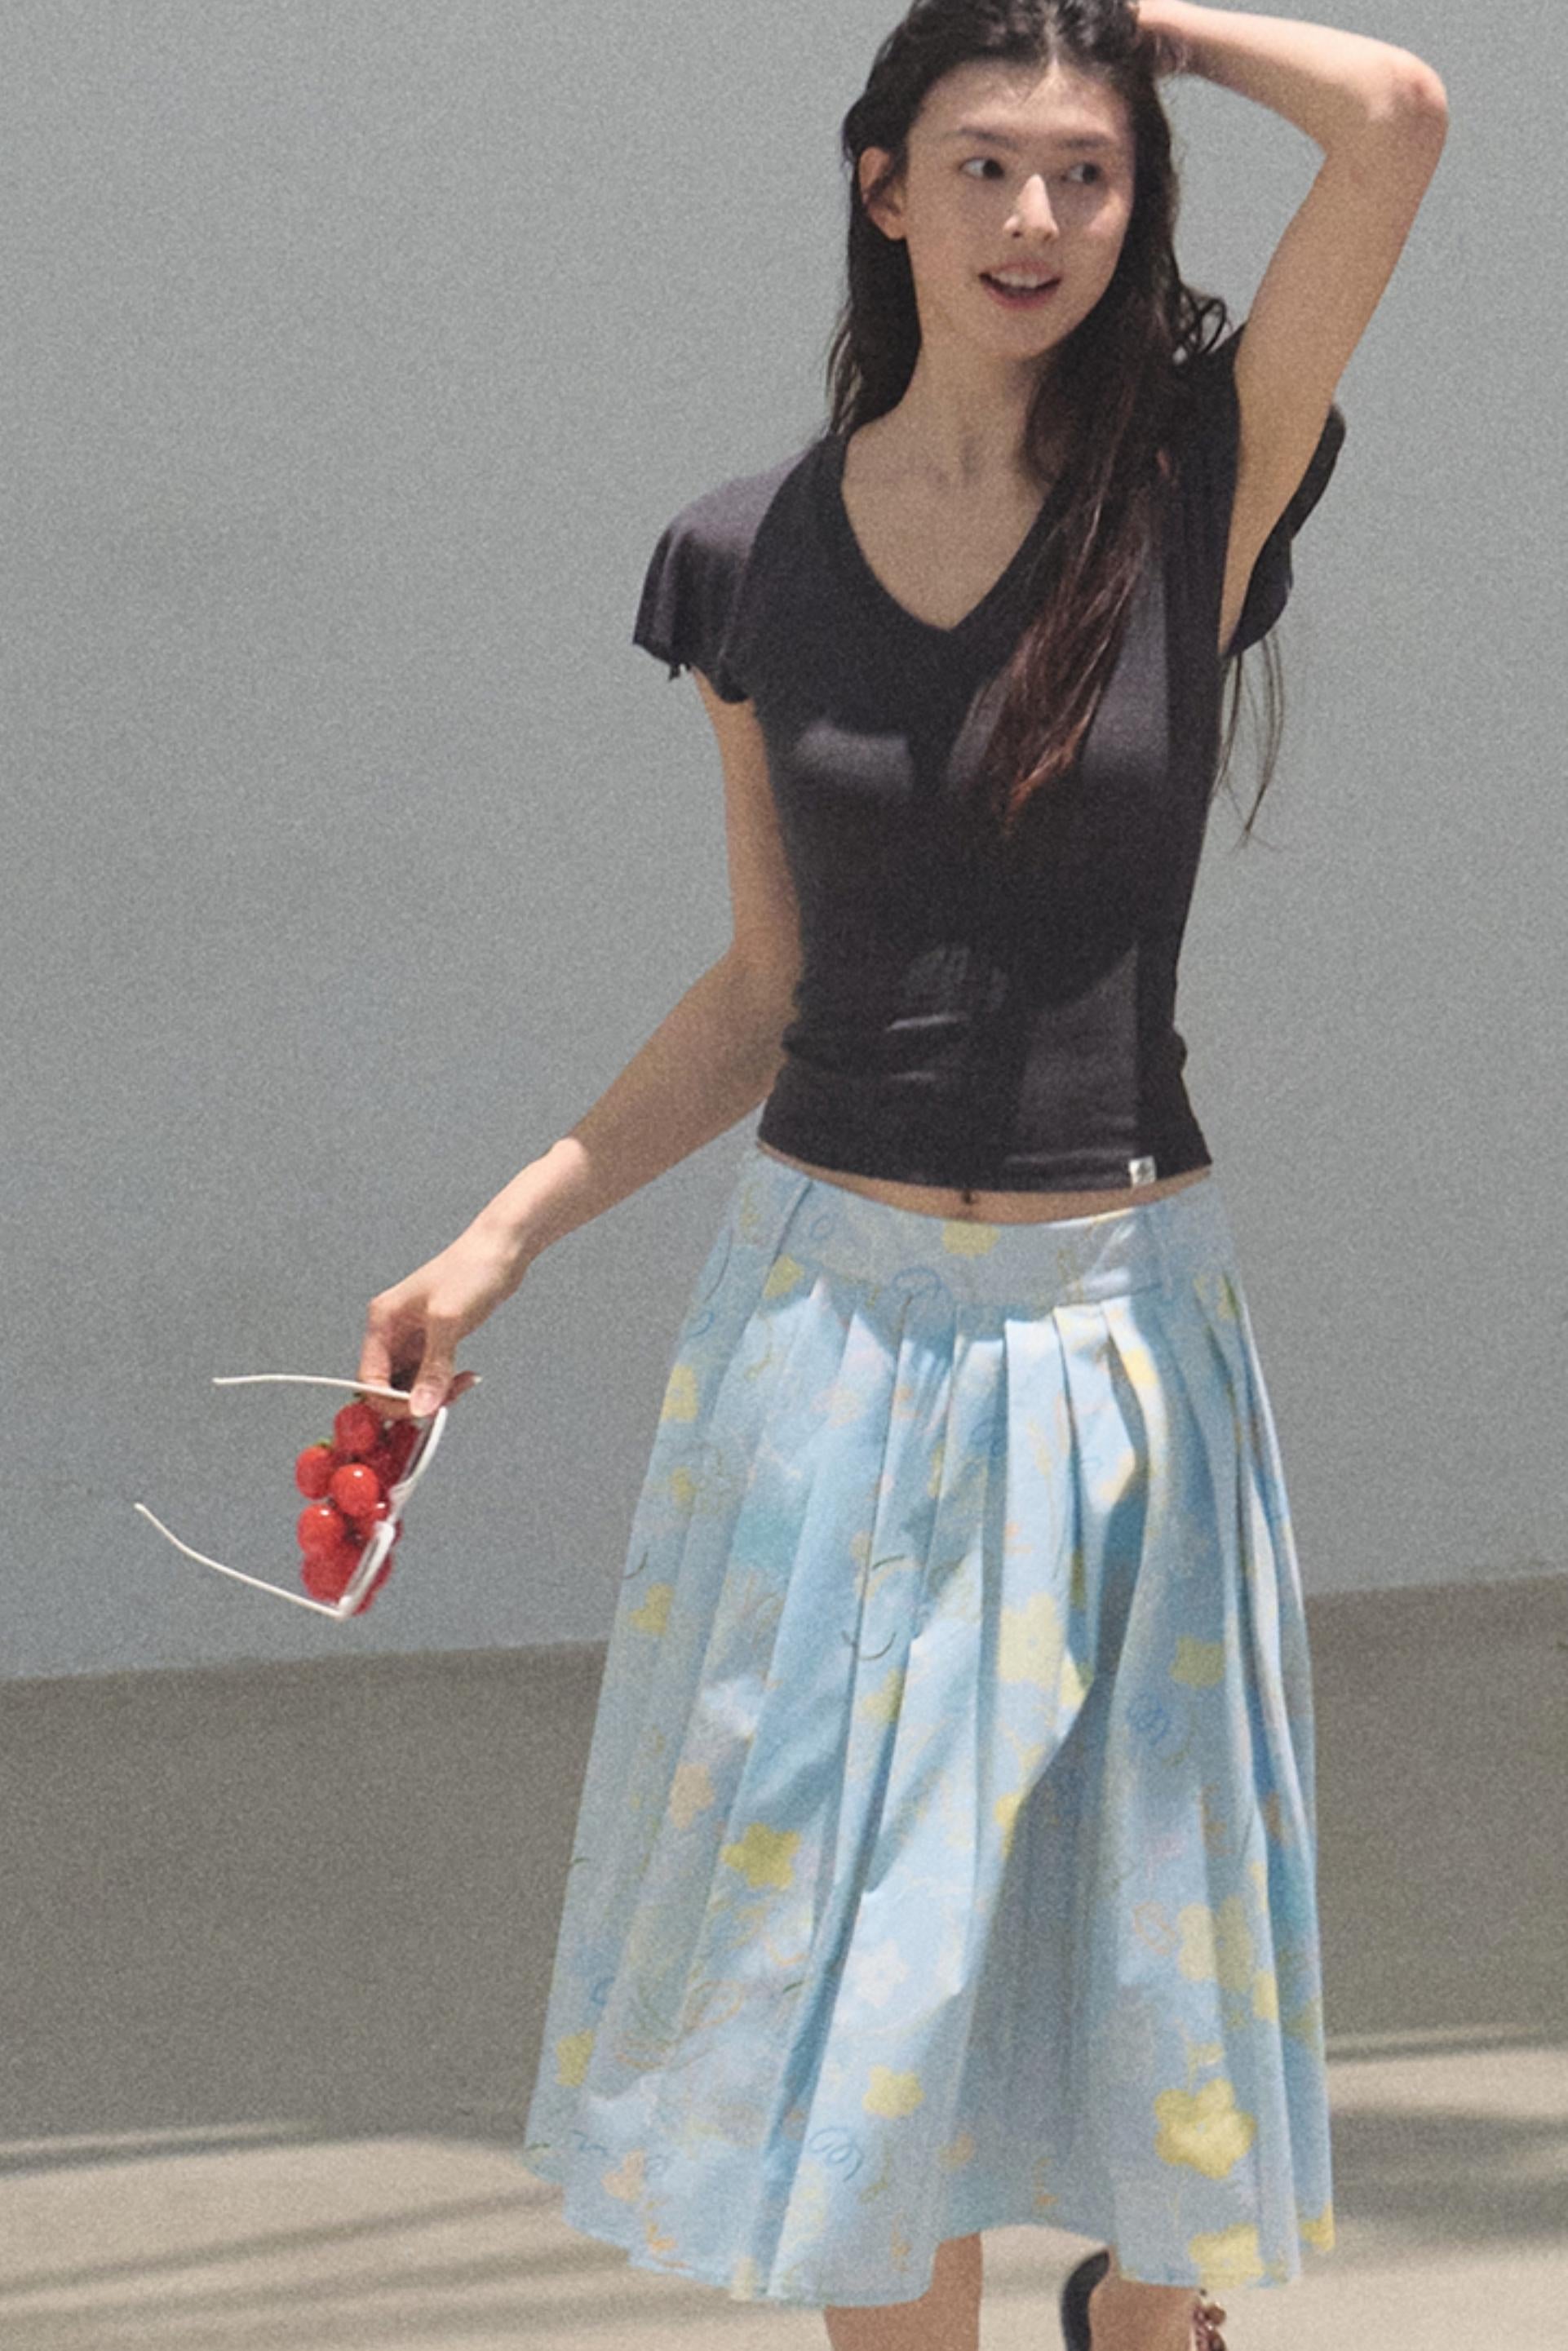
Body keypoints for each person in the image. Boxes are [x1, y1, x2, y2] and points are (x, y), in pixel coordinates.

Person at [357, 3, 1447, 2344]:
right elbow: (770, 984)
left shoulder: (1196, 490)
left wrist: (1132, 26)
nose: (1035, 216)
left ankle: (1143, 2316)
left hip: (1122, 1331)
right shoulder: (742, 555)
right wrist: (498, 1237)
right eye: (980, 165)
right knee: (864, 1987)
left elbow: (1394, 119)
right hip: (826, 1334)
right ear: (882, 191)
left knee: (1154, 1951)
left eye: (1087, 170)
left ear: (1135, 200)